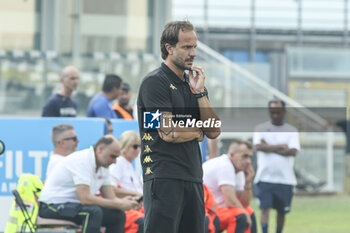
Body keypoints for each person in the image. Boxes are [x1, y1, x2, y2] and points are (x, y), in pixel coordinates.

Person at [137, 20, 221, 233]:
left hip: (192, 176)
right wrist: (197, 131)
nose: (193, 53)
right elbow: (168, 133)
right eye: (187, 47)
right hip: (163, 176)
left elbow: (213, 131)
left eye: (195, 47)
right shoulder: (153, 83)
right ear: (169, 48)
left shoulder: (193, 84)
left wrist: (200, 93)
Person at [39, 135, 141, 233]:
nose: (114, 162)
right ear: (100, 149)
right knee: (93, 212)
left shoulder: (103, 165)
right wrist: (119, 203)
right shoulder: (82, 161)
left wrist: (125, 201)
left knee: (118, 215)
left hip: (72, 206)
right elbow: (85, 199)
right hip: (51, 206)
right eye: (113, 156)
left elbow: (110, 198)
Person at [253, 100, 300, 233]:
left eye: (278, 112)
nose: (275, 115)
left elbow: (292, 151)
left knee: (282, 212)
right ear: (269, 111)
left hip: (285, 179)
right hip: (264, 177)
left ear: (284, 112)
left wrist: (267, 146)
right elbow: (258, 147)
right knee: (265, 209)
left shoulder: (291, 130)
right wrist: (281, 146)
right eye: (272, 112)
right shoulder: (260, 128)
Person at [203, 140, 256, 233]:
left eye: (250, 157)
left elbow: (244, 203)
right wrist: (244, 213)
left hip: (218, 210)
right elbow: (230, 201)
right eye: (245, 156)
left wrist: (247, 183)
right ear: (231, 155)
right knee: (240, 215)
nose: (248, 161)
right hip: (206, 212)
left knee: (249, 211)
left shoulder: (238, 168)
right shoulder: (225, 166)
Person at [109, 130, 144, 233]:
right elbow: (111, 189)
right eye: (134, 146)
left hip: (136, 207)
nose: (138, 149)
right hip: (127, 209)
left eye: (139, 146)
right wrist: (137, 194)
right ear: (125, 145)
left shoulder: (129, 165)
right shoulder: (118, 162)